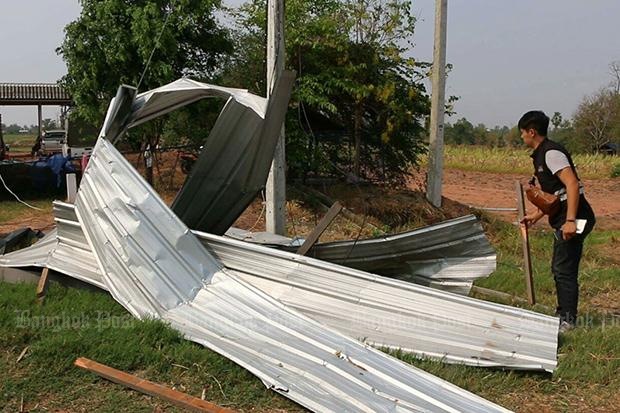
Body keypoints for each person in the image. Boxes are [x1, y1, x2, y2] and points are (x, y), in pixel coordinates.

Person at [520, 110, 596, 332]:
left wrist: (570, 220)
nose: (522, 137)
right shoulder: (541, 154)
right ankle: (563, 313)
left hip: (575, 217)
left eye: (523, 133)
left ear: (531, 132)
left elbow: (572, 185)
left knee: (564, 269)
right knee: (560, 267)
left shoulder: (551, 153)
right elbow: (555, 195)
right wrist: (536, 216)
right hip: (565, 215)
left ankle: (568, 321)